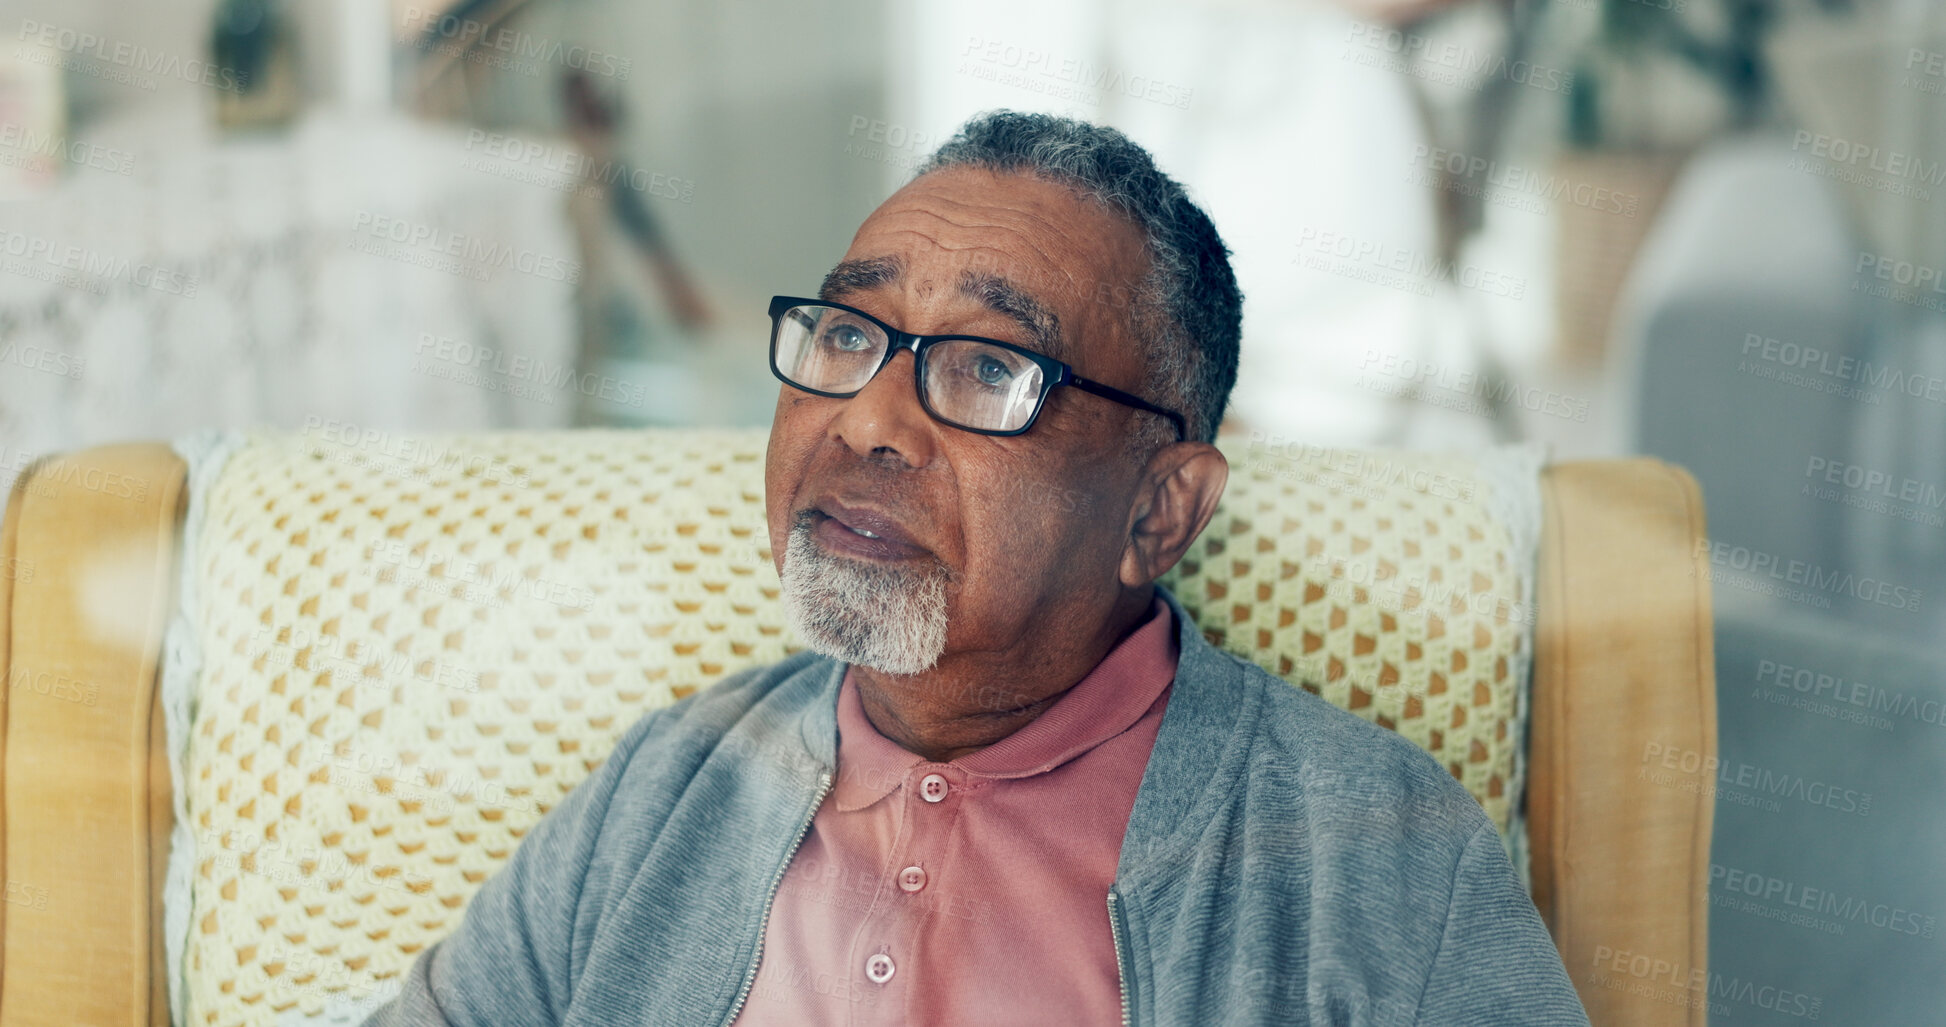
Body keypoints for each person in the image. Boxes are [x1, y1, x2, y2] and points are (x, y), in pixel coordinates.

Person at [366, 109, 1588, 1026]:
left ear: (1162, 510)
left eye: (988, 369)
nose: (870, 420)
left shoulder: (1372, 851)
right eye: (848, 335)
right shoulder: (669, 789)